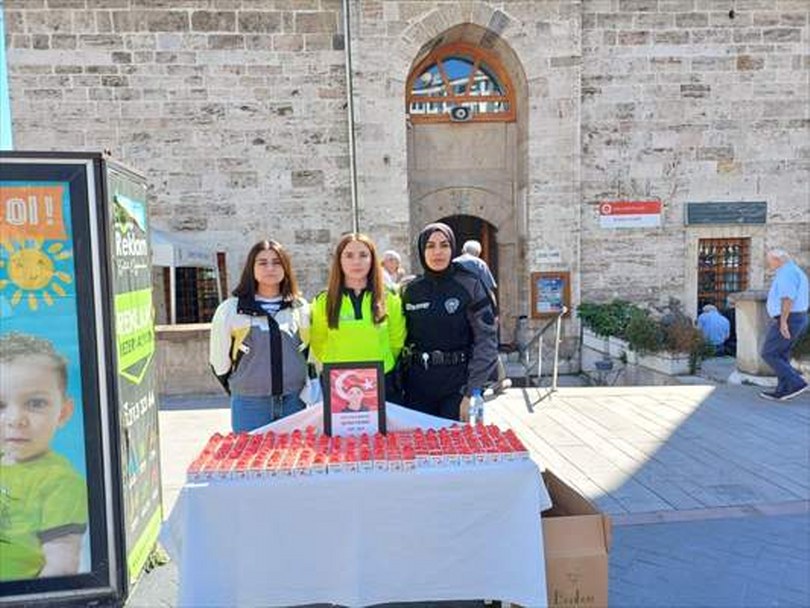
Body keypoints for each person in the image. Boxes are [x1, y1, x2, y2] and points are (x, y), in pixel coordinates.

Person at [0, 332, 88, 581]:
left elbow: (61, 566)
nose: (16, 419)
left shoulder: (60, 483)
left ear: (63, 412)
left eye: (35, 403)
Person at [400, 223, 499, 421]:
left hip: (458, 387)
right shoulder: (409, 290)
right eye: (430, 246)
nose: (437, 252)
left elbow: (486, 340)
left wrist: (472, 391)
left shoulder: (470, 285)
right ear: (421, 251)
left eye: (444, 245)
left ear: (452, 248)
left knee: (455, 440)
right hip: (417, 386)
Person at [209, 240, 310, 432]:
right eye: (262, 263)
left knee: (293, 452)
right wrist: (242, 386)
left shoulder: (300, 307)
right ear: (251, 268)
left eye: (277, 262)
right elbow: (218, 361)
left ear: (286, 268)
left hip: (294, 401)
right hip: (250, 405)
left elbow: (308, 351)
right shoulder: (231, 309)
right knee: (251, 452)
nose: (270, 268)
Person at [310, 234, 406, 402]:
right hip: (339, 384)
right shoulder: (324, 301)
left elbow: (396, 340)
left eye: (363, 255)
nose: (356, 262)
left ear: (372, 260)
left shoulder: (388, 298)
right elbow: (318, 342)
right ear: (339, 261)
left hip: (381, 381)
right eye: (349, 255)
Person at [760, 249, 809, 401]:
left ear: (778, 260)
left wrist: (783, 322)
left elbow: (787, 298)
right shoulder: (794, 271)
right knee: (781, 354)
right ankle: (783, 389)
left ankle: (797, 382)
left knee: (769, 353)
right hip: (796, 317)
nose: (768, 264)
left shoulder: (787, 273)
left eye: (769, 261)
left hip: (790, 318)